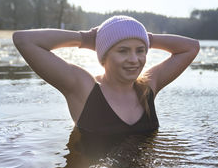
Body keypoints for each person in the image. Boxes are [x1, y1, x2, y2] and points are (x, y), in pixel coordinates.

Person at [13, 16, 200, 137]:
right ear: (105, 55)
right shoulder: (84, 88)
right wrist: (85, 39)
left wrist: (145, 37)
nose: (134, 59)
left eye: (140, 50)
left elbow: (191, 47)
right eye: (123, 51)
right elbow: (24, 40)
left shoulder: (148, 86)